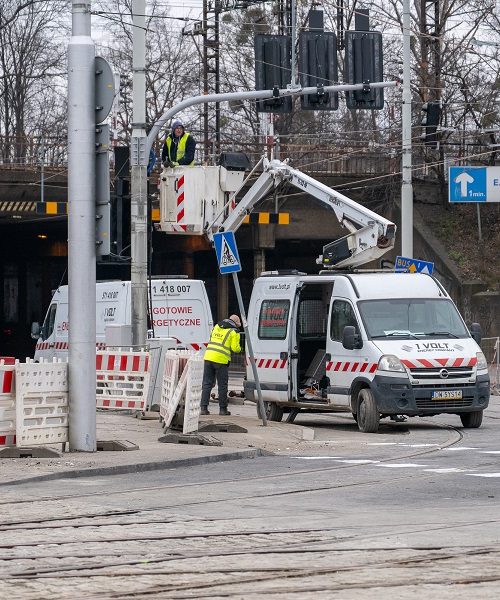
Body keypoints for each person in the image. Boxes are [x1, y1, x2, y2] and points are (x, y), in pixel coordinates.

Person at [200, 314, 242, 416]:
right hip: (221, 360)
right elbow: (235, 348)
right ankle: (223, 410)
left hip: (209, 357)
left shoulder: (216, 326)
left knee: (207, 383)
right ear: (236, 324)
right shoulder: (234, 331)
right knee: (222, 385)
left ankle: (203, 409)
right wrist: (240, 349)